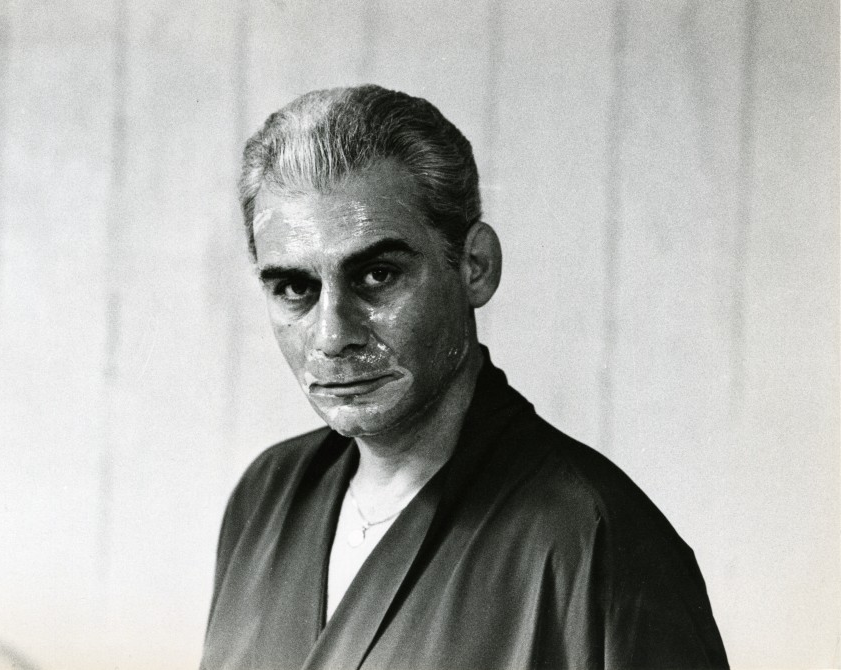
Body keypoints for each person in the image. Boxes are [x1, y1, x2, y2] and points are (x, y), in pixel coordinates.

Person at [201, 84, 728, 670]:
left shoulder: (598, 542)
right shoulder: (266, 499)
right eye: (294, 287)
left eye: (377, 275)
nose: (331, 336)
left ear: (476, 266)